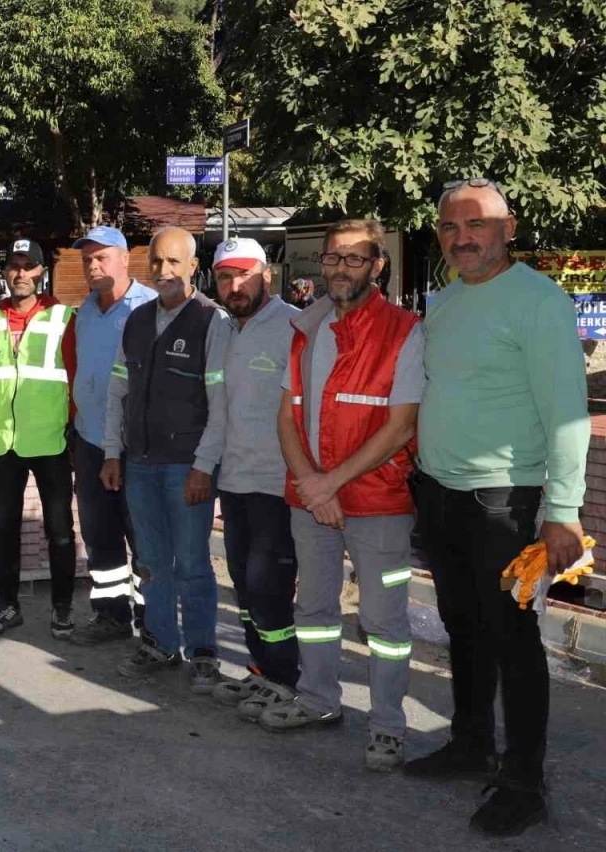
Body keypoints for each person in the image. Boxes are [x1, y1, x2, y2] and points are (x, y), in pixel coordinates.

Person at [408, 179, 589, 836]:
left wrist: (563, 510)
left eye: (477, 223)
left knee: (514, 643)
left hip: (506, 506)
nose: (463, 236)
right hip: (442, 497)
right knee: (463, 628)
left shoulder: (539, 302)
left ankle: (523, 781)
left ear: (508, 228)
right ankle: (470, 743)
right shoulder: (446, 301)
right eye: (451, 226)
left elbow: (568, 410)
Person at [263, 218, 423, 775]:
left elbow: (401, 427)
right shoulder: (306, 326)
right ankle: (318, 700)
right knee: (314, 608)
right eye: (333, 258)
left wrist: (328, 483)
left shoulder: (405, 330)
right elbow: (288, 415)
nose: (340, 268)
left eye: (355, 259)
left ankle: (387, 726)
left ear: (378, 266)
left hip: (377, 502)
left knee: (384, 622)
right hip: (310, 497)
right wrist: (312, 482)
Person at [100, 227, 230, 690]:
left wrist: (203, 465)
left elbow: (220, 405)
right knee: (150, 561)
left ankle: (202, 653)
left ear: (194, 267)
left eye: (175, 262)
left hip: (186, 466)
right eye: (157, 261)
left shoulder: (212, 320)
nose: (164, 271)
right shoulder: (135, 322)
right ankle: (159, 643)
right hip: (139, 463)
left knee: (192, 563)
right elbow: (118, 391)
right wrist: (113, 452)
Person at [202, 238, 302, 718]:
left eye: (244, 274)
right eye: (225, 276)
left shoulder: (293, 326)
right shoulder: (222, 331)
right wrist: (207, 464)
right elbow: (217, 409)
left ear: (267, 275)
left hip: (278, 484)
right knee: (242, 584)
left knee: (269, 587)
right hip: (234, 480)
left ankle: (286, 679)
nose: (234, 285)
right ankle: (261, 673)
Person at [0, 237, 79, 636]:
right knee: (4, 528)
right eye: (14, 266)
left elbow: (74, 376)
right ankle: (8, 604)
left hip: (51, 442)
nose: (20, 273)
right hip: (4, 444)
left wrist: (71, 434)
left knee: (60, 530)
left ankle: (63, 607)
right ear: (5, 272)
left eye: (28, 266)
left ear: (41, 272)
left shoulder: (63, 318)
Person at [68, 225, 157, 645]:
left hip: (134, 445)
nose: (93, 265)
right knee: (99, 533)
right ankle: (111, 616)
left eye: (102, 256)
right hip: (88, 439)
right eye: (87, 258)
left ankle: (150, 619)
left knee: (142, 532)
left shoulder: (150, 308)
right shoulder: (85, 310)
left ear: (125, 259)